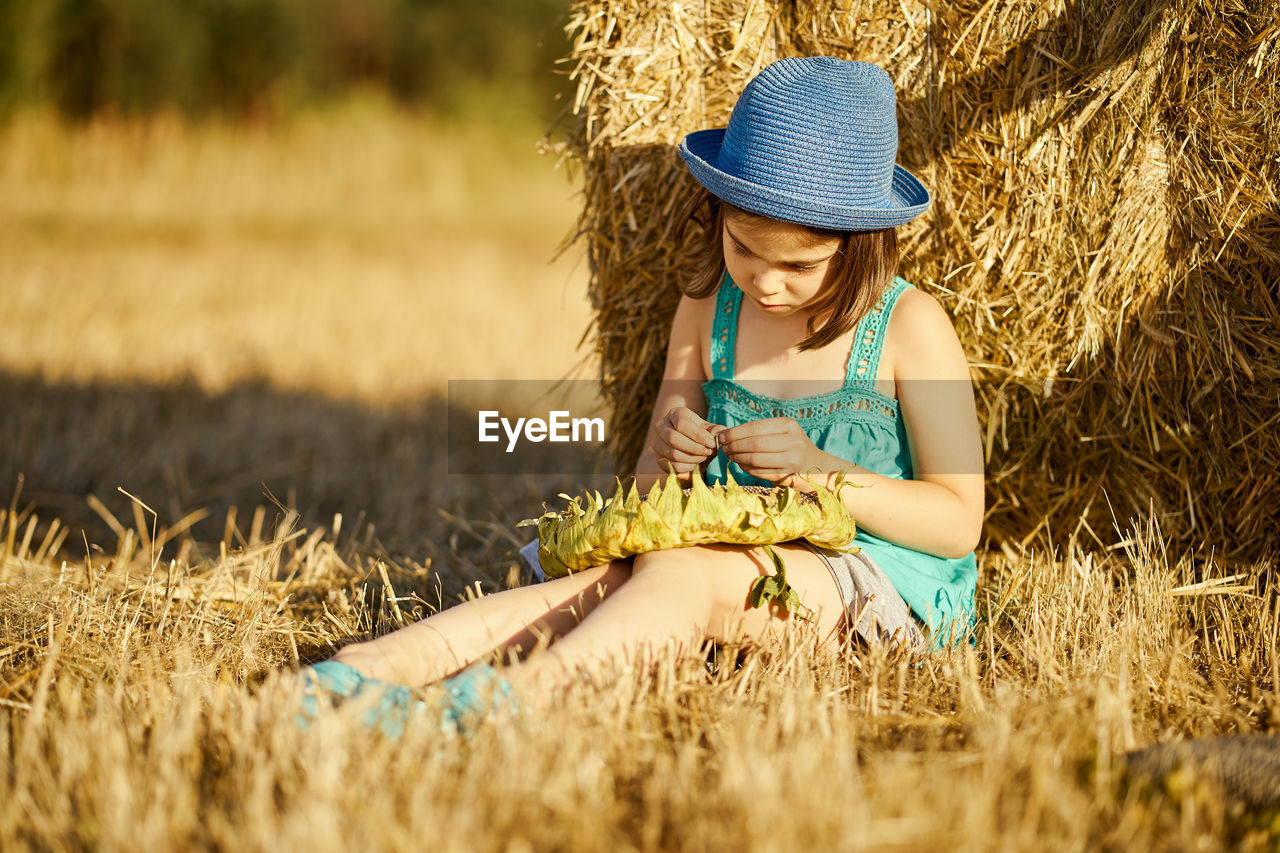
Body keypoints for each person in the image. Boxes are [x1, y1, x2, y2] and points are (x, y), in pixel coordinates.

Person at [296, 56, 984, 735]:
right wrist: (670, 450)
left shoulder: (908, 327)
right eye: (744, 249)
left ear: (863, 244)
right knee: (594, 583)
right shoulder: (707, 308)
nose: (766, 284)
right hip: (710, 556)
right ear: (717, 214)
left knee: (681, 576)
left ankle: (502, 705)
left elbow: (957, 519)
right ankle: (364, 668)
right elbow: (651, 492)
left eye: (799, 265)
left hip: (875, 583)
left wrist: (817, 470)